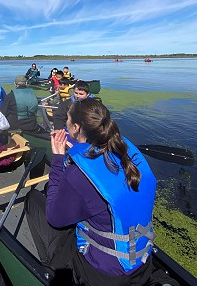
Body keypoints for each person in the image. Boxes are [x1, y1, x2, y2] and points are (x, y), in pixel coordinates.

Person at [25, 99, 157, 285]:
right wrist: (78, 149)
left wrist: (57, 160)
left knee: (32, 200)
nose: (65, 123)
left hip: (105, 272)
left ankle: (50, 269)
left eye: (67, 120)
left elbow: (54, 218)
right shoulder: (125, 149)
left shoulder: (79, 173)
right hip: (141, 260)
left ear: (76, 127)